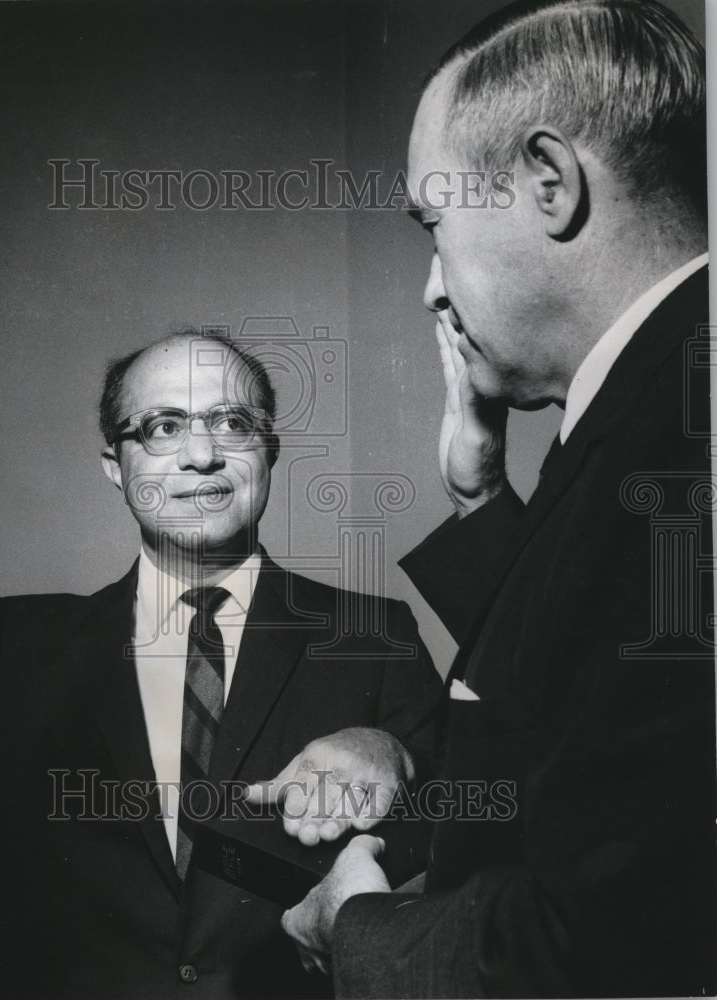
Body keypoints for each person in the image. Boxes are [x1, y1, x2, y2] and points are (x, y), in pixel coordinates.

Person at [0, 330, 442, 999]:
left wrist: (394, 754)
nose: (202, 454)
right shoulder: (21, 647)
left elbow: (486, 837)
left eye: (232, 424)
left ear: (267, 452)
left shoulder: (371, 637)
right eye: (162, 427)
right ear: (113, 465)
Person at [279, 0, 715, 996]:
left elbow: (592, 939)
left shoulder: (681, 440)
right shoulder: (649, 404)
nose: (431, 286)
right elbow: (587, 699)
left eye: (433, 222)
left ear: (549, 184)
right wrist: (481, 498)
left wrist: (354, 920)